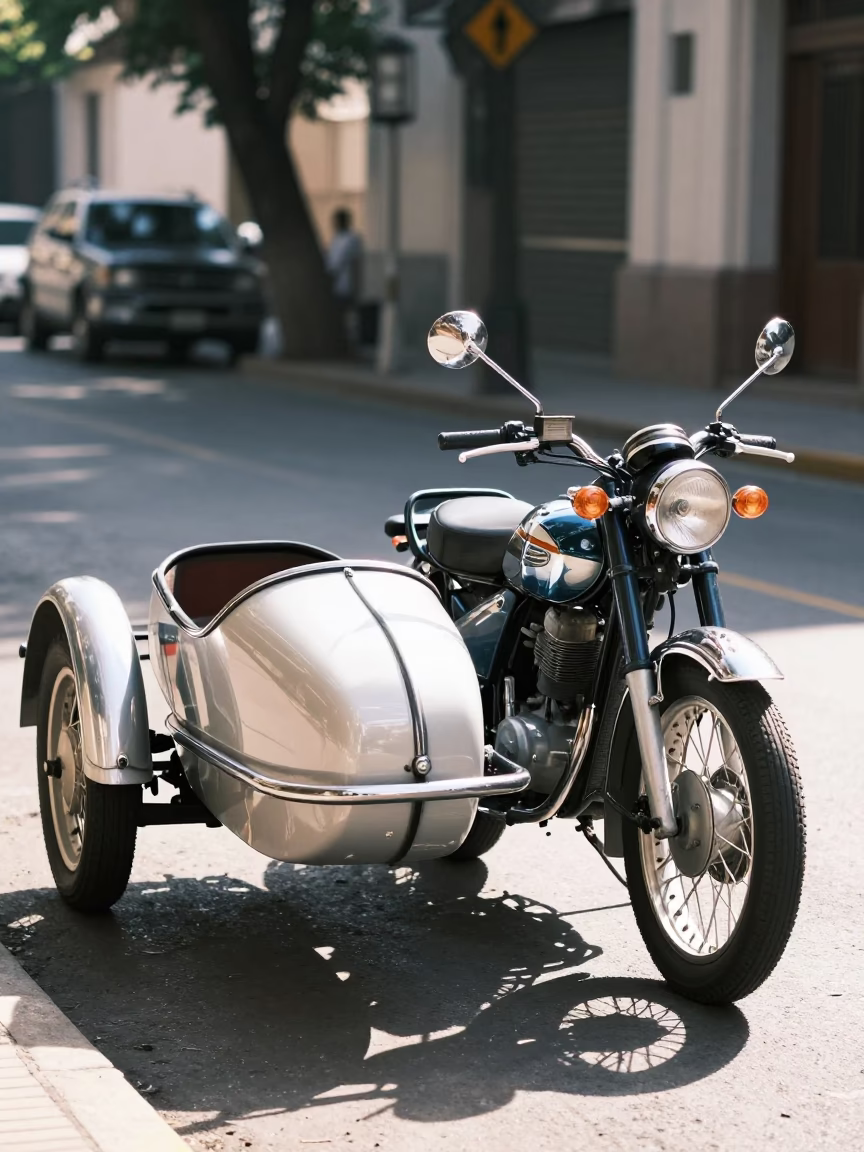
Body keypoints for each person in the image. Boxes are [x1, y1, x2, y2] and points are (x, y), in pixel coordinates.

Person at [326, 208, 362, 347]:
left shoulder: (352, 239)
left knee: (348, 316)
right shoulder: (336, 239)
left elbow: (344, 262)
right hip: (336, 284)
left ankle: (350, 343)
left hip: (346, 283)